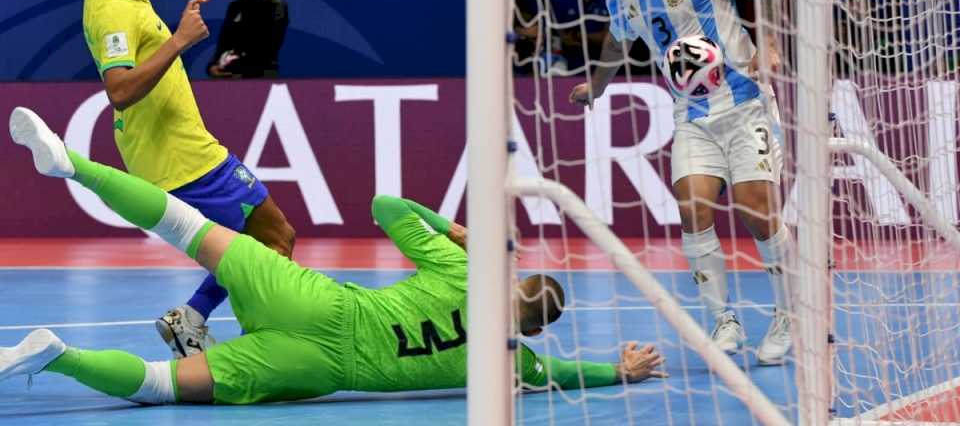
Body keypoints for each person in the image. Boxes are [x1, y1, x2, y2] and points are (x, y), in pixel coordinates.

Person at [3, 107, 669, 405]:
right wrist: (623, 368)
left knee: (186, 225)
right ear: (530, 327)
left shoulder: (465, 268)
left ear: (511, 282)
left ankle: (71, 164)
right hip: (318, 366)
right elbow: (574, 372)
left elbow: (383, 206)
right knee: (159, 385)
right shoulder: (512, 363)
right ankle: (60, 355)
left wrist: (454, 230)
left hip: (320, 302)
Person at [568, 0, 795, 365]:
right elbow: (619, 39)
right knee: (691, 206)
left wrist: (767, 45)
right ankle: (722, 319)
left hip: (747, 103)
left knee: (757, 211)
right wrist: (596, 86)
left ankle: (789, 312)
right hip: (691, 115)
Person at [82, 0, 294, 359]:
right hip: (182, 160)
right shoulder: (112, 10)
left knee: (258, 242)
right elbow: (119, 90)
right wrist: (179, 40)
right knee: (275, 238)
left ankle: (195, 318)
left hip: (186, 152)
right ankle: (270, 343)